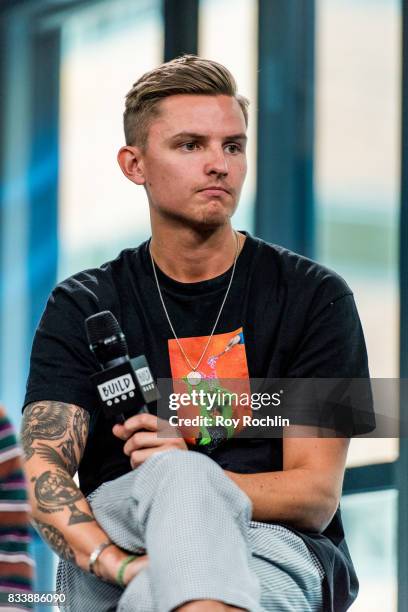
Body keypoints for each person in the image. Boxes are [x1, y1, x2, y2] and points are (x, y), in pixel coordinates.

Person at [21, 55, 375, 612]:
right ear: (134, 165)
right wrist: (126, 565)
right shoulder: (83, 304)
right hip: (119, 536)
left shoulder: (315, 296)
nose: (219, 165)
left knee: (178, 502)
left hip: (271, 544)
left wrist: (191, 476)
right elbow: (43, 476)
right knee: (171, 485)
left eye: (232, 146)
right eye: (191, 145)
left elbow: (315, 496)